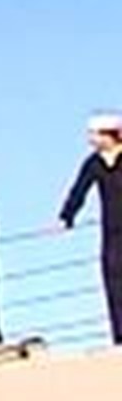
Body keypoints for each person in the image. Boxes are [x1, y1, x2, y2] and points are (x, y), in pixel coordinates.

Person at [60, 114, 122, 344]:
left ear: (108, 135)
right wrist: (67, 216)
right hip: (112, 228)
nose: (91, 139)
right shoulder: (94, 163)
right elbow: (80, 190)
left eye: (94, 134)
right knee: (114, 277)